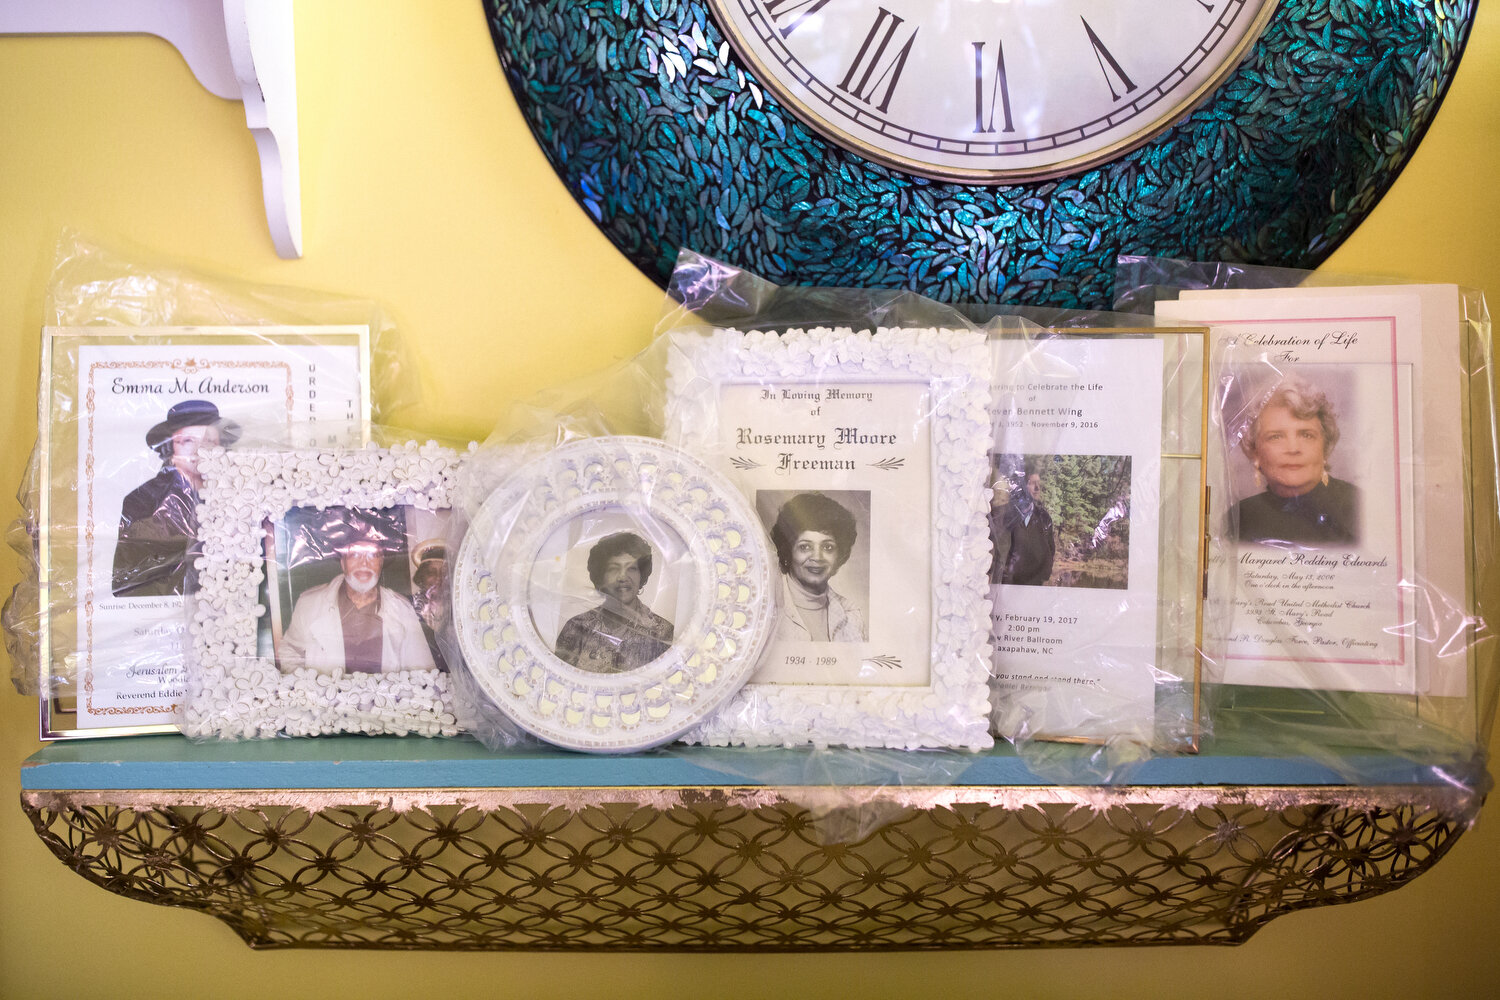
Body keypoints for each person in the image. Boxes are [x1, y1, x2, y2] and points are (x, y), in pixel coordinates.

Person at [111, 399, 240, 597]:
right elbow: (128, 582)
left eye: (208, 442)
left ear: (221, 447)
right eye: (188, 441)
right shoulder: (143, 501)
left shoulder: (239, 497)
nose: (199, 451)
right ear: (171, 447)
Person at [278, 517, 436, 674]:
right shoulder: (309, 604)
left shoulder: (402, 609)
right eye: (354, 554)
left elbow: (422, 672)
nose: (364, 563)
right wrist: (309, 689)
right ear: (343, 562)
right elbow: (289, 652)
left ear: (381, 563)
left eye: (372, 555)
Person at [1232, 375, 1360, 545]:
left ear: (1325, 446)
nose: (1293, 449)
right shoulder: (1239, 518)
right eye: (1276, 437)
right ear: (1255, 451)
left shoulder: (1357, 507)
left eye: (1306, 435)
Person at [554, 531, 674, 673]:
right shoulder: (576, 628)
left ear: (641, 575)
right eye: (613, 569)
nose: (623, 577)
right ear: (600, 576)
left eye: (631, 568)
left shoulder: (662, 632)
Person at [769, 493, 867, 642]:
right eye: (805, 547)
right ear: (788, 551)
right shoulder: (768, 604)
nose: (817, 557)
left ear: (839, 554)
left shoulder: (851, 614)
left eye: (827, 547)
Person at [994, 464, 1055, 586]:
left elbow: (1050, 552)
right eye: (1032, 483)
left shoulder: (1044, 517)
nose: (1037, 488)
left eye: (1039, 483)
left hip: (1034, 587)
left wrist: (1041, 578)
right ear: (1021, 486)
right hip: (1007, 586)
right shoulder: (1003, 514)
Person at [410, 539, 449, 671]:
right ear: (421, 577)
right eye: (431, 573)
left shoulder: (459, 609)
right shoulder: (409, 608)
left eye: (444, 573)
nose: (438, 578)